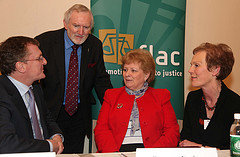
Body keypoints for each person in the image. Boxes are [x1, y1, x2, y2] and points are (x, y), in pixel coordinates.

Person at [35, 4, 113, 153]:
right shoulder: (44, 42)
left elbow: (101, 80)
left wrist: (115, 108)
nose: (81, 32)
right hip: (49, 113)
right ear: (65, 23)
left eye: (86, 27)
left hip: (78, 115)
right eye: (76, 26)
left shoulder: (94, 45)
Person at [94, 49, 179, 153]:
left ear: (146, 74)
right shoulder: (111, 95)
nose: (127, 74)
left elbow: (172, 132)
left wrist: (153, 154)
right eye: (125, 70)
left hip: (150, 152)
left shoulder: (161, 96)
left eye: (133, 70)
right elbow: (101, 130)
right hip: (116, 152)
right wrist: (113, 154)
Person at [0, 36, 64, 153]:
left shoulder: (36, 87)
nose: (45, 61)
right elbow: (5, 143)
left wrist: (56, 135)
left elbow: (46, 117)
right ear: (21, 66)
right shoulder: (2, 94)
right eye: (39, 58)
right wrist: (49, 146)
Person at [179, 42, 240, 149]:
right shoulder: (192, 99)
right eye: (191, 65)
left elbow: (234, 149)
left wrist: (200, 147)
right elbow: (185, 141)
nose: (190, 70)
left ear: (215, 70)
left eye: (196, 65)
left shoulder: (235, 103)